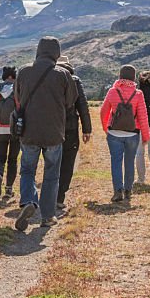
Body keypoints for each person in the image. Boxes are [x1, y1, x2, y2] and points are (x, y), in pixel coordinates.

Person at [14, 37, 76, 231]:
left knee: (27, 170)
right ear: (56, 53)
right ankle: (48, 216)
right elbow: (70, 101)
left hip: (29, 131)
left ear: (38, 51)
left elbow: (17, 97)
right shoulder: (63, 74)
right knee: (51, 174)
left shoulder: (23, 72)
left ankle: (29, 202)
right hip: (54, 132)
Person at [99, 64, 149, 203]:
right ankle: (128, 190)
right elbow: (143, 117)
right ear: (133, 77)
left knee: (116, 162)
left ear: (120, 76)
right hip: (132, 134)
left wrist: (106, 128)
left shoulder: (112, 92)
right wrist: (145, 136)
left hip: (114, 133)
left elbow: (103, 112)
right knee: (129, 162)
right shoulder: (138, 94)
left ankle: (117, 191)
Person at [56, 55, 92, 214]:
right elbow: (82, 106)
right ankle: (59, 197)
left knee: (52, 161)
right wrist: (87, 129)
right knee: (68, 162)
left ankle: (48, 195)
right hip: (70, 128)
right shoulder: (75, 80)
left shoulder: (50, 78)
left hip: (51, 127)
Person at [0, 66, 20, 202]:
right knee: (12, 160)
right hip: (15, 130)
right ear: (14, 76)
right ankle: (8, 189)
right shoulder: (18, 90)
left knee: (0, 158)